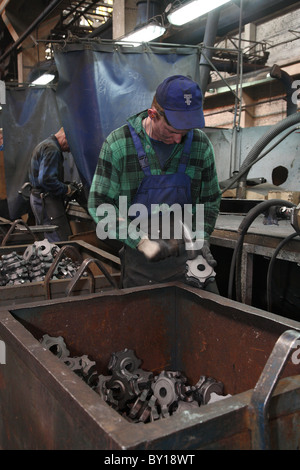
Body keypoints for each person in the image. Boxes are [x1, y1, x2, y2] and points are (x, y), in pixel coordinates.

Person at [88, 75, 221, 291]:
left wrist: (201, 237)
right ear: (153, 114)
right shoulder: (119, 145)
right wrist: (141, 241)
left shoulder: (200, 145)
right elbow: (100, 205)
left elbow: (209, 200)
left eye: (184, 132)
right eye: (172, 131)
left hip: (188, 259)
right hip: (141, 265)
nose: (179, 139)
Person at [28, 127, 77, 242]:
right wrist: (67, 189)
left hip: (38, 197)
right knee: (59, 239)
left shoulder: (44, 144)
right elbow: (46, 180)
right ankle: (61, 259)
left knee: (47, 238)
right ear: (66, 137)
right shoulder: (52, 149)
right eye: (72, 145)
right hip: (46, 200)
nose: (70, 151)